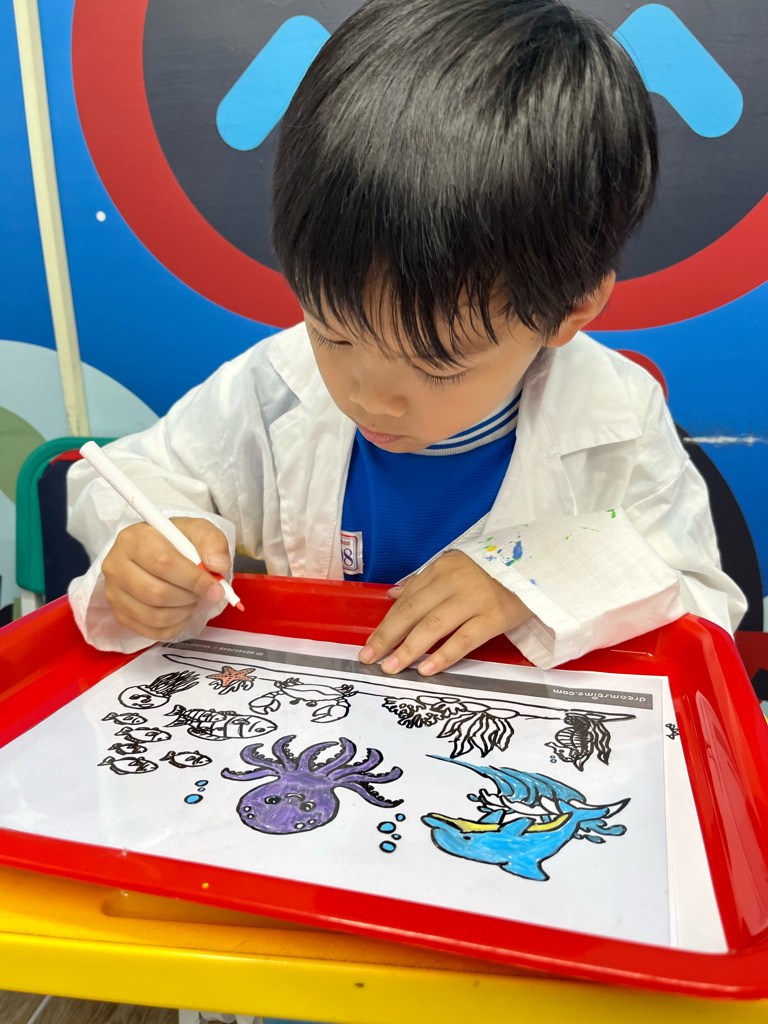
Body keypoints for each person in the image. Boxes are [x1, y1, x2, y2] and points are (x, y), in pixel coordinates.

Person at [67, 0, 745, 674]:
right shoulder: (272, 385)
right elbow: (131, 477)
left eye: (437, 365)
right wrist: (150, 545)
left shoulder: (618, 418)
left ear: (570, 307)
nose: (370, 396)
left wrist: (531, 582)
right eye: (333, 333)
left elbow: (701, 603)